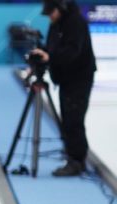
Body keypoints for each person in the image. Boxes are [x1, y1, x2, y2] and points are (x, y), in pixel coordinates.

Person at [31, 0, 96, 177]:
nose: (50, 16)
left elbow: (72, 52)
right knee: (67, 118)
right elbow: (52, 47)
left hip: (79, 78)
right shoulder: (56, 23)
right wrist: (41, 52)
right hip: (66, 78)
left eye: (51, 12)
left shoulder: (76, 23)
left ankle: (77, 160)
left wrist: (49, 56)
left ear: (61, 8)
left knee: (73, 119)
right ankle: (72, 154)